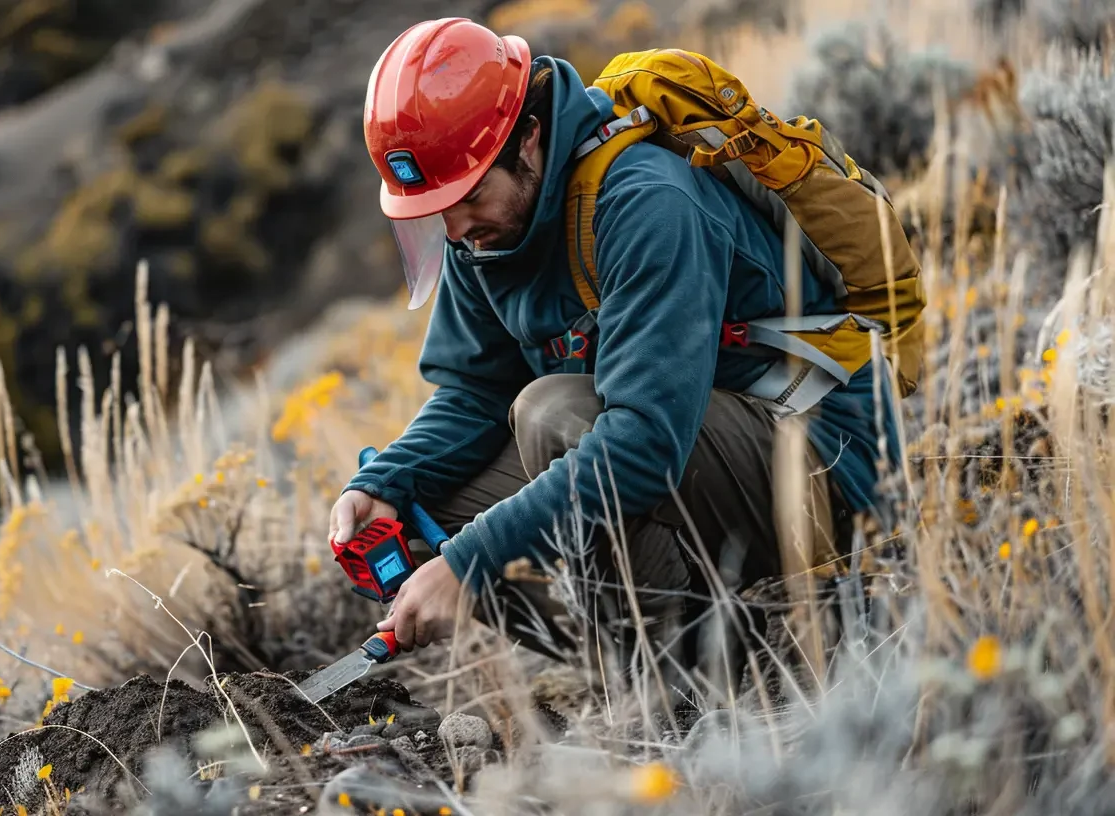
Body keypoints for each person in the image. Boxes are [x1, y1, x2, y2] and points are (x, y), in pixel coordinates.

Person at [331, 18, 907, 690]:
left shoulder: (645, 201)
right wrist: (387, 483)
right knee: (432, 514)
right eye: (432, 214)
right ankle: (674, 642)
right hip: (703, 458)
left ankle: (679, 684)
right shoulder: (479, 231)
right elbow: (474, 392)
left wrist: (474, 562)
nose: (455, 231)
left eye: (467, 199)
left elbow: (642, 445)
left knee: (551, 418)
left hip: (825, 464)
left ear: (530, 139)